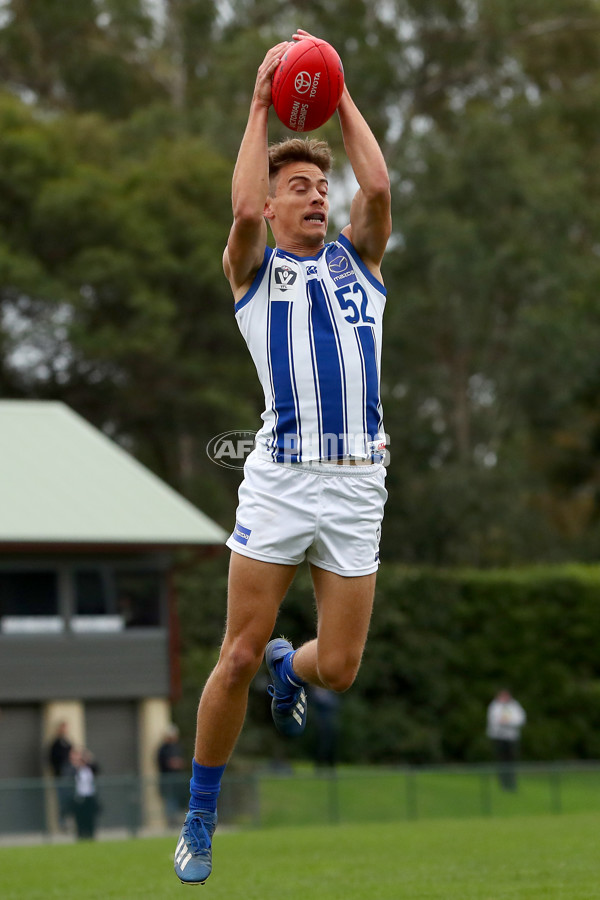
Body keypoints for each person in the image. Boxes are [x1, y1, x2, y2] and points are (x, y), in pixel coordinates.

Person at [174, 28, 391, 885]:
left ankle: (285, 667)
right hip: (281, 477)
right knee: (232, 652)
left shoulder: (361, 261)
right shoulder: (254, 269)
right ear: (270, 206)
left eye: (317, 185)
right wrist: (263, 104)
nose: (313, 196)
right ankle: (198, 819)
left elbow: (375, 181)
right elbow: (235, 211)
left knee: (335, 669)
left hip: (359, 484)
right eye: (295, 187)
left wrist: (332, 88)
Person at [486, 689, 526, 791]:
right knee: (502, 760)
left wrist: (508, 722)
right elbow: (494, 720)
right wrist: (503, 722)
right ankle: (503, 783)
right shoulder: (495, 706)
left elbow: (520, 719)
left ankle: (512, 782)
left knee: (511, 760)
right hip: (499, 737)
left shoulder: (514, 706)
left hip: (512, 738)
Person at [68, 747, 101, 840]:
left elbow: (97, 768)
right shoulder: (73, 769)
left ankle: (91, 834)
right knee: (79, 817)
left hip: (89, 796)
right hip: (78, 797)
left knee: (90, 816)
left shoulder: (89, 768)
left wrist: (88, 759)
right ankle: (81, 835)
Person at [158, 724, 187, 826]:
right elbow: (163, 763)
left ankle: (179, 822)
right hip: (168, 782)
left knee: (179, 802)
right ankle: (172, 823)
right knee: (170, 802)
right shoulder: (163, 749)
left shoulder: (177, 747)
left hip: (178, 782)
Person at [47, 720, 73, 828]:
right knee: (62, 801)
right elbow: (51, 760)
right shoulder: (55, 744)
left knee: (71, 800)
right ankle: (62, 823)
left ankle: (71, 822)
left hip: (71, 777)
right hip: (61, 777)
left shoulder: (68, 743)